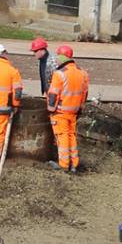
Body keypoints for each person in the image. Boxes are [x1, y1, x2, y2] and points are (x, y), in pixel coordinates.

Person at [46, 44, 89, 173]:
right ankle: (74, 164)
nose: (56, 59)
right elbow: (84, 93)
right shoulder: (82, 73)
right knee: (71, 136)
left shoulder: (59, 74)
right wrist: (80, 108)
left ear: (62, 57)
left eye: (58, 56)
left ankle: (64, 165)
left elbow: (53, 94)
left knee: (62, 136)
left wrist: (50, 109)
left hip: (60, 112)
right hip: (74, 111)